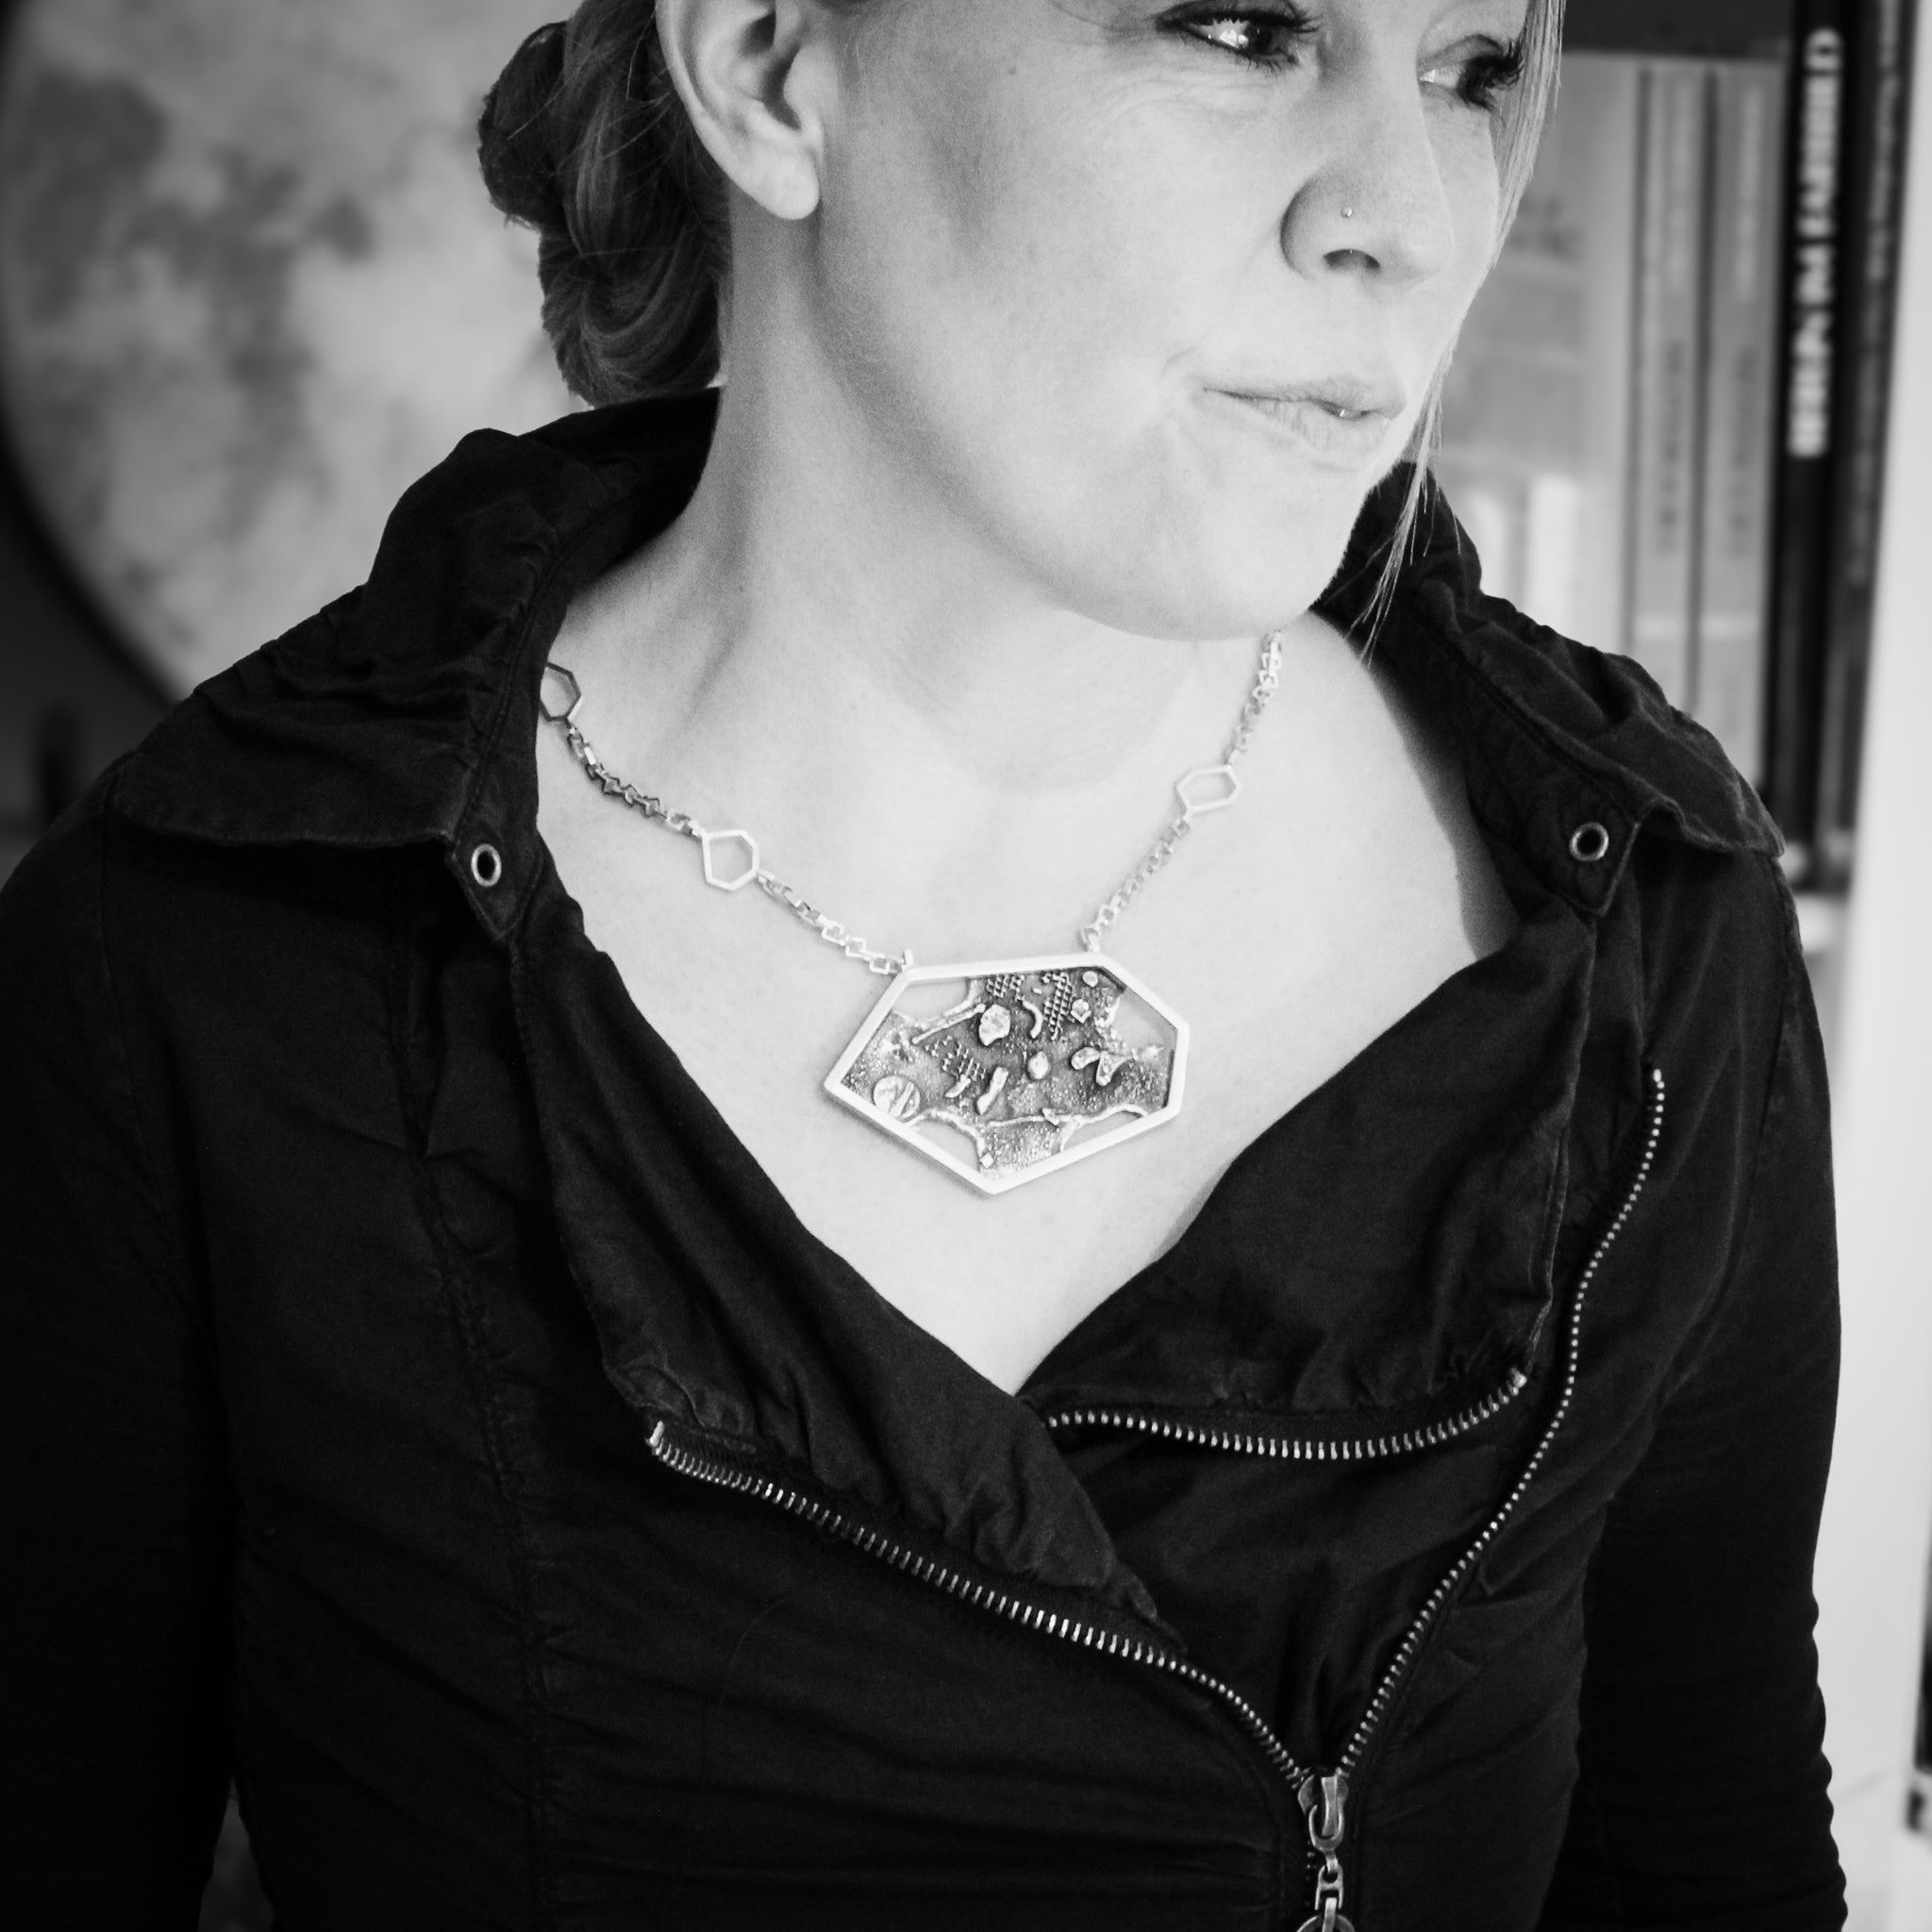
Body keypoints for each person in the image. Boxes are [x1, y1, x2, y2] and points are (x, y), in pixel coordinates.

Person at [0, 0, 1844, 1925]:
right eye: (1237, 30)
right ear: (774, 64)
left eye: (1472, 68)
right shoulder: (201, 978)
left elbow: (1707, 1859)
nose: (1413, 213)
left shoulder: (1645, 916)